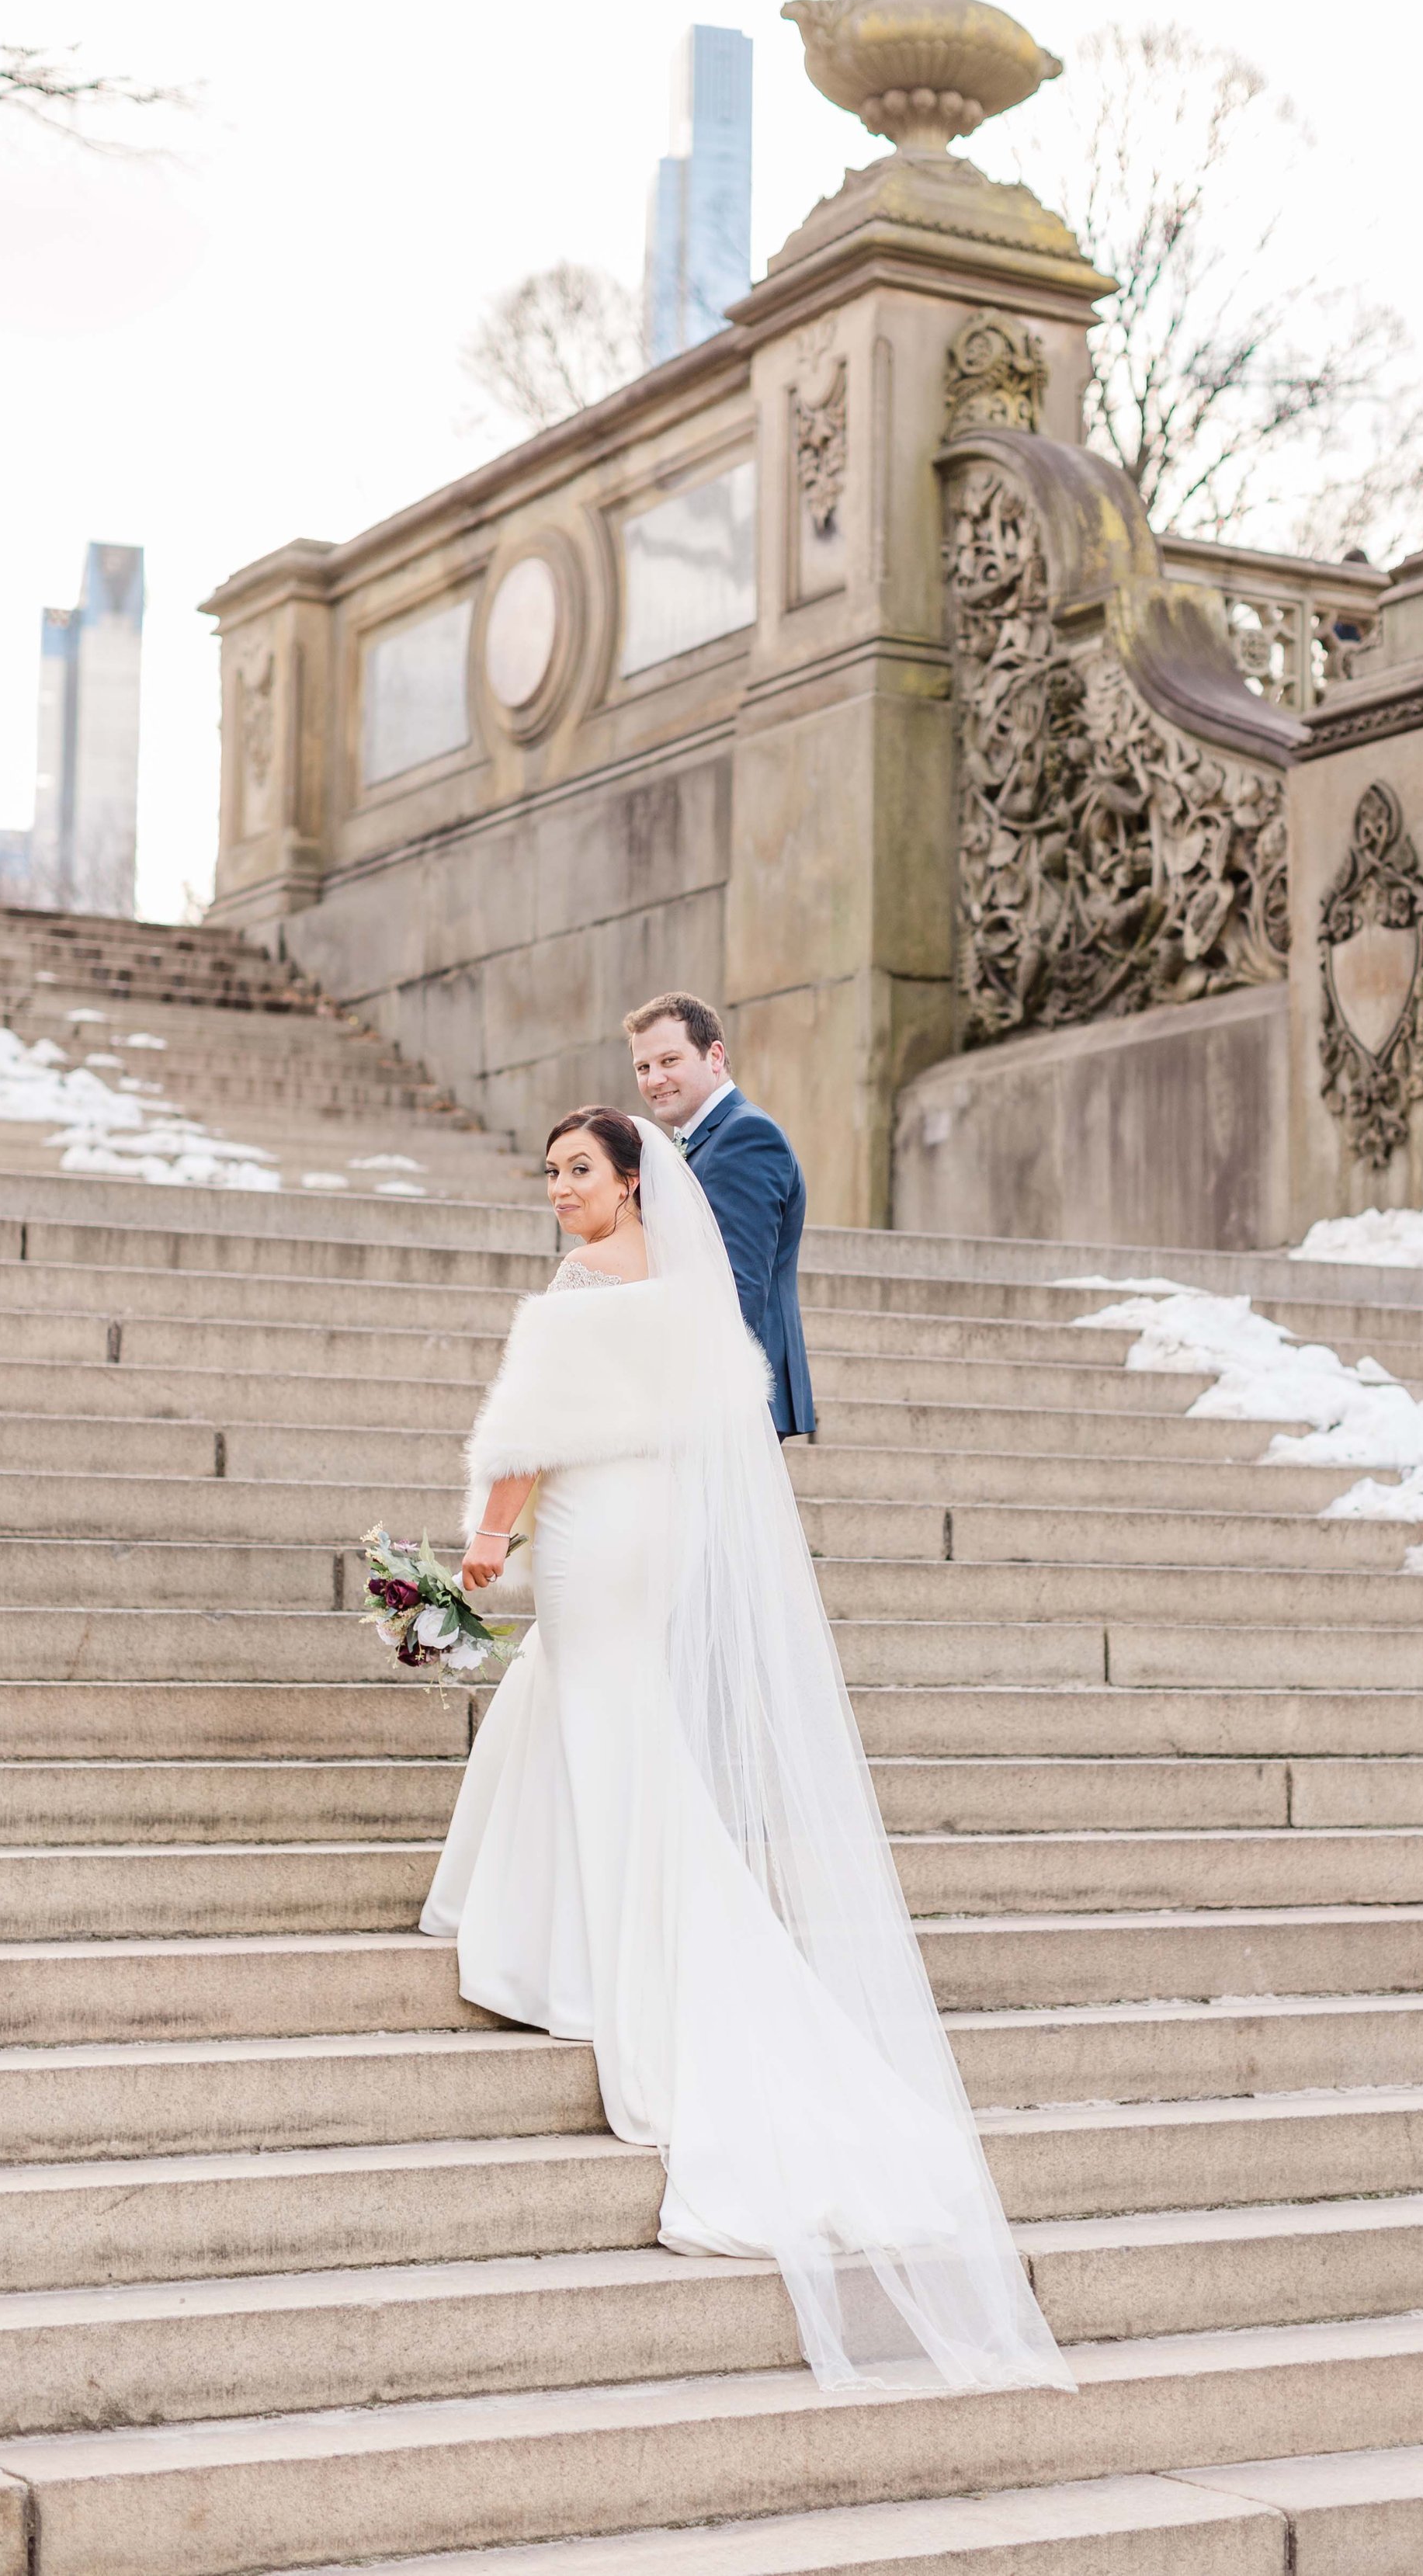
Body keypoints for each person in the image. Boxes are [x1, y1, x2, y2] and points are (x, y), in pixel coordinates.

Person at [421, 1105, 1066, 2399]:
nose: (559, 1190)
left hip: (597, 1533)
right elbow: (716, 1437)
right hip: (656, 1527)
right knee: (604, 1717)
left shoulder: (575, 1298)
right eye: (549, 1172)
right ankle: (560, 1924)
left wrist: (480, 1556)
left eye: (578, 1171)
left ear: (628, 1184)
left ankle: (601, 1954)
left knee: (602, 1717)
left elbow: (526, 1453)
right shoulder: (688, 1294)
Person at [624, 991, 814, 1439]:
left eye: (669, 1061)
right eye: (643, 1068)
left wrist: (690, 1387)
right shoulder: (695, 1140)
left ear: (715, 1056)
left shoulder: (746, 1135)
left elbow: (738, 1283)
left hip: (732, 1388)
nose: (654, 1080)